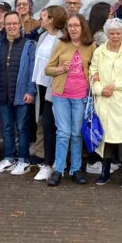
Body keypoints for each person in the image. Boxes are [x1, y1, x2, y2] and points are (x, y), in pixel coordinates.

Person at [44, 14, 96, 186]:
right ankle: (58, 169)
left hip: (81, 96)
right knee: (63, 132)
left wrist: (96, 76)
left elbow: (95, 67)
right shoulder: (60, 44)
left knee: (76, 133)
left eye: (76, 25)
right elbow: (48, 69)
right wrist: (60, 69)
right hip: (61, 96)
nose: (73, 29)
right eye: (70, 25)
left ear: (83, 27)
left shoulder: (90, 45)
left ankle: (76, 169)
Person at [90, 18, 122, 188]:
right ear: (106, 34)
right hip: (104, 101)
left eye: (118, 33)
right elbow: (93, 74)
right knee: (105, 138)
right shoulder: (99, 52)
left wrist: (115, 85)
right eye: (112, 33)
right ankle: (105, 172)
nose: (115, 36)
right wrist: (99, 89)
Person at [0, 11, 37, 175]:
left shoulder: (29, 45)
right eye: (8, 24)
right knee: (7, 128)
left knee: (22, 128)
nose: (12, 26)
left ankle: (23, 160)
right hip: (3, 94)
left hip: (22, 95)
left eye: (15, 23)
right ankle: (8, 158)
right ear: (4, 26)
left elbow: (33, 71)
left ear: (20, 24)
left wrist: (30, 90)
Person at [32, 5, 67, 181]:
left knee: (54, 125)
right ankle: (47, 161)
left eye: (44, 16)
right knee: (44, 124)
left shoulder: (62, 39)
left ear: (52, 19)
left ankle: (55, 163)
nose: (41, 19)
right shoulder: (42, 36)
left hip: (55, 87)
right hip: (41, 86)